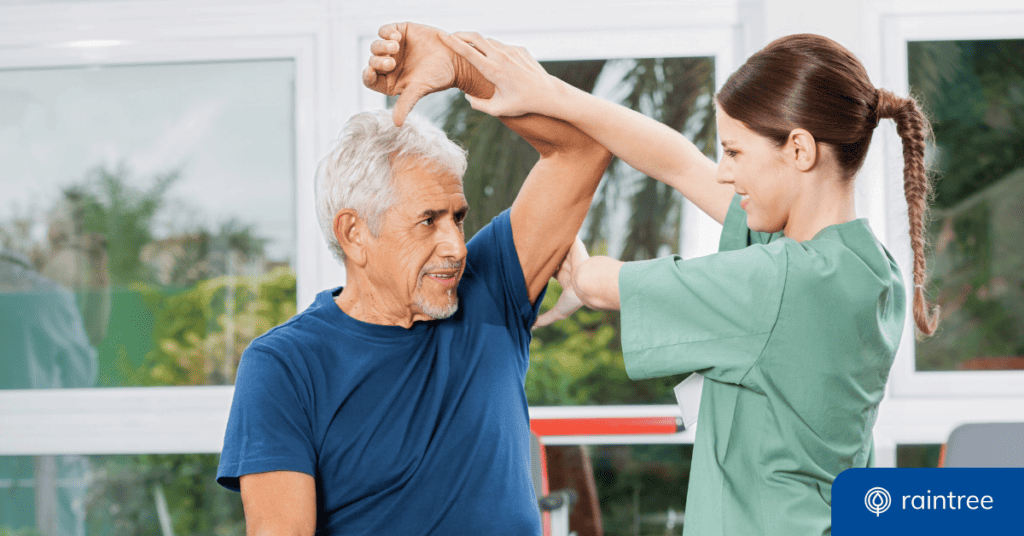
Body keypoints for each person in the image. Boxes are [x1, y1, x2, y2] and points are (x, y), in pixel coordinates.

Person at [434, 31, 939, 535]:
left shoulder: (777, 282)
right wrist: (549, 93)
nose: (723, 173)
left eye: (735, 153)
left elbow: (595, 283)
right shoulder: (869, 268)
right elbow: (677, 163)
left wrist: (566, 247)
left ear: (799, 149)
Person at [215, 22, 612, 535]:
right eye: (428, 221)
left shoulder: (492, 288)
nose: (454, 246)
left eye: (458, 217)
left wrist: (465, 70)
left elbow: (581, 149)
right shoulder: (285, 365)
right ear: (355, 234)